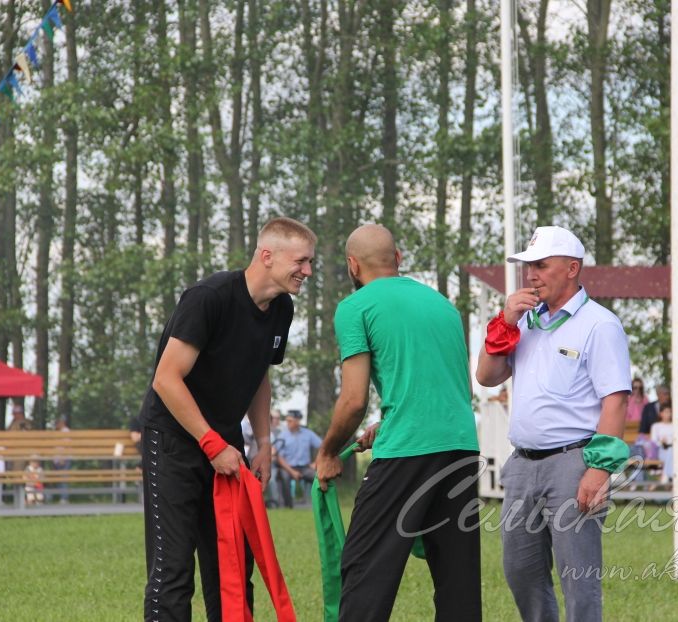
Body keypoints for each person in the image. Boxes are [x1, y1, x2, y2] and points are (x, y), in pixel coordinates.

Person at [137, 216, 315, 620]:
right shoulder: (209, 298)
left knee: (230, 568)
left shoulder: (281, 309)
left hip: (226, 444)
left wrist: (264, 444)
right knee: (173, 569)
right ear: (267, 256)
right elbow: (166, 380)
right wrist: (211, 442)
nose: (307, 271)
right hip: (173, 440)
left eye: (310, 263)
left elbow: (259, 376)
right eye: (301, 261)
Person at [316, 224, 481, 622]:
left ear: (353, 266)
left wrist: (327, 452)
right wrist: (388, 422)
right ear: (399, 259)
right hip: (461, 448)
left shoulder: (355, 307)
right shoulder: (443, 305)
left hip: (407, 452)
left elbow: (354, 400)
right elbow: (435, 388)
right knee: (458, 580)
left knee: (364, 568)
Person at [475, 225, 631, 622]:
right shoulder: (526, 321)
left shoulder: (600, 324)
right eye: (529, 266)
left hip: (573, 462)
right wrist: (505, 320)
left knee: (578, 577)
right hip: (523, 464)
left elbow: (615, 401)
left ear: (572, 268)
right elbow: (487, 377)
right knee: (520, 571)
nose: (532, 275)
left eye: (542, 265)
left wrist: (599, 470)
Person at [276, 410, 321, 508]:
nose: (287, 423)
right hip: (288, 467)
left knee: (319, 477)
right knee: (284, 477)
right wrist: (292, 472)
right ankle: (289, 506)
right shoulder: (283, 435)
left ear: (297, 421)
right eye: (287, 421)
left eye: (290, 421)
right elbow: (278, 456)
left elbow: (323, 447)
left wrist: (316, 463)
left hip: (305, 467)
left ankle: (319, 505)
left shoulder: (308, 433)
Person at [650, 404, 674, 486]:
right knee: (670, 451)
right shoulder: (656, 426)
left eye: (670, 412)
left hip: (673, 450)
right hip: (661, 450)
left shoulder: (675, 425)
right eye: (666, 412)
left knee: (671, 450)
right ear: (661, 414)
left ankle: (665, 475)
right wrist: (661, 442)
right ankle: (667, 475)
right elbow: (653, 442)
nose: (668, 414)